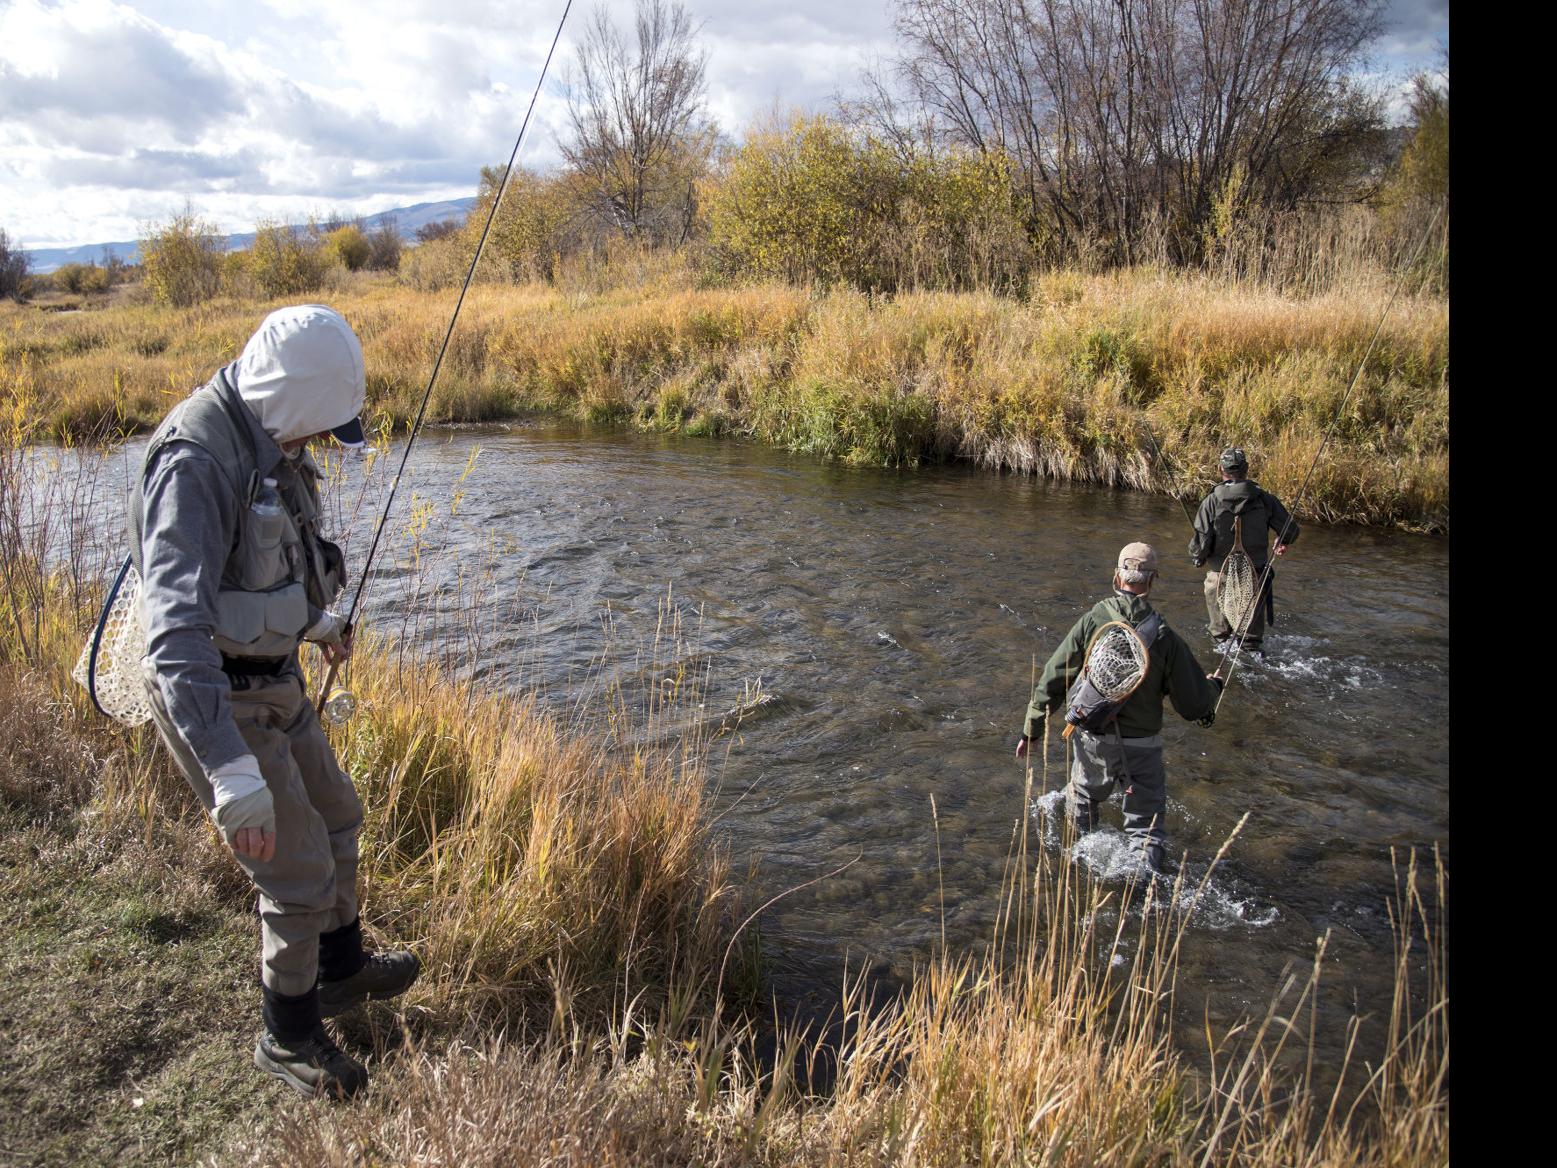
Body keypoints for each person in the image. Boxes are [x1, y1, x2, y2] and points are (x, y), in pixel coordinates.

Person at [131, 304, 418, 1100]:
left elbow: (258, 574)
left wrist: (316, 623)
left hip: (274, 673)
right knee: (294, 872)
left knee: (337, 818)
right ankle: (287, 1038)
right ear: (293, 403)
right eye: (322, 424)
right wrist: (231, 773)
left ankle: (339, 971)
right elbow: (175, 638)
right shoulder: (194, 464)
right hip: (217, 696)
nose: (322, 440)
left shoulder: (269, 438)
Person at [1015, 543, 1220, 872]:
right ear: (1152, 580)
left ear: (1116, 576)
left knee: (1082, 801)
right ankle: (1143, 889)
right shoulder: (1165, 636)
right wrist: (1213, 687)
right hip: (1142, 746)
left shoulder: (1092, 620)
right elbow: (1194, 706)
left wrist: (1032, 729)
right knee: (1145, 830)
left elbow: (1054, 677)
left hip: (1092, 738)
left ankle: (1076, 870)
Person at [1188, 446, 1300, 650]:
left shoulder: (1210, 502)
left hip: (1220, 575)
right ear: (1246, 468)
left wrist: (1198, 557)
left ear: (1220, 469)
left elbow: (1200, 545)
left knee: (1220, 640)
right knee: (1250, 643)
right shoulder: (1265, 499)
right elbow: (1291, 531)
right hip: (1254, 576)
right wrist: (1281, 540)